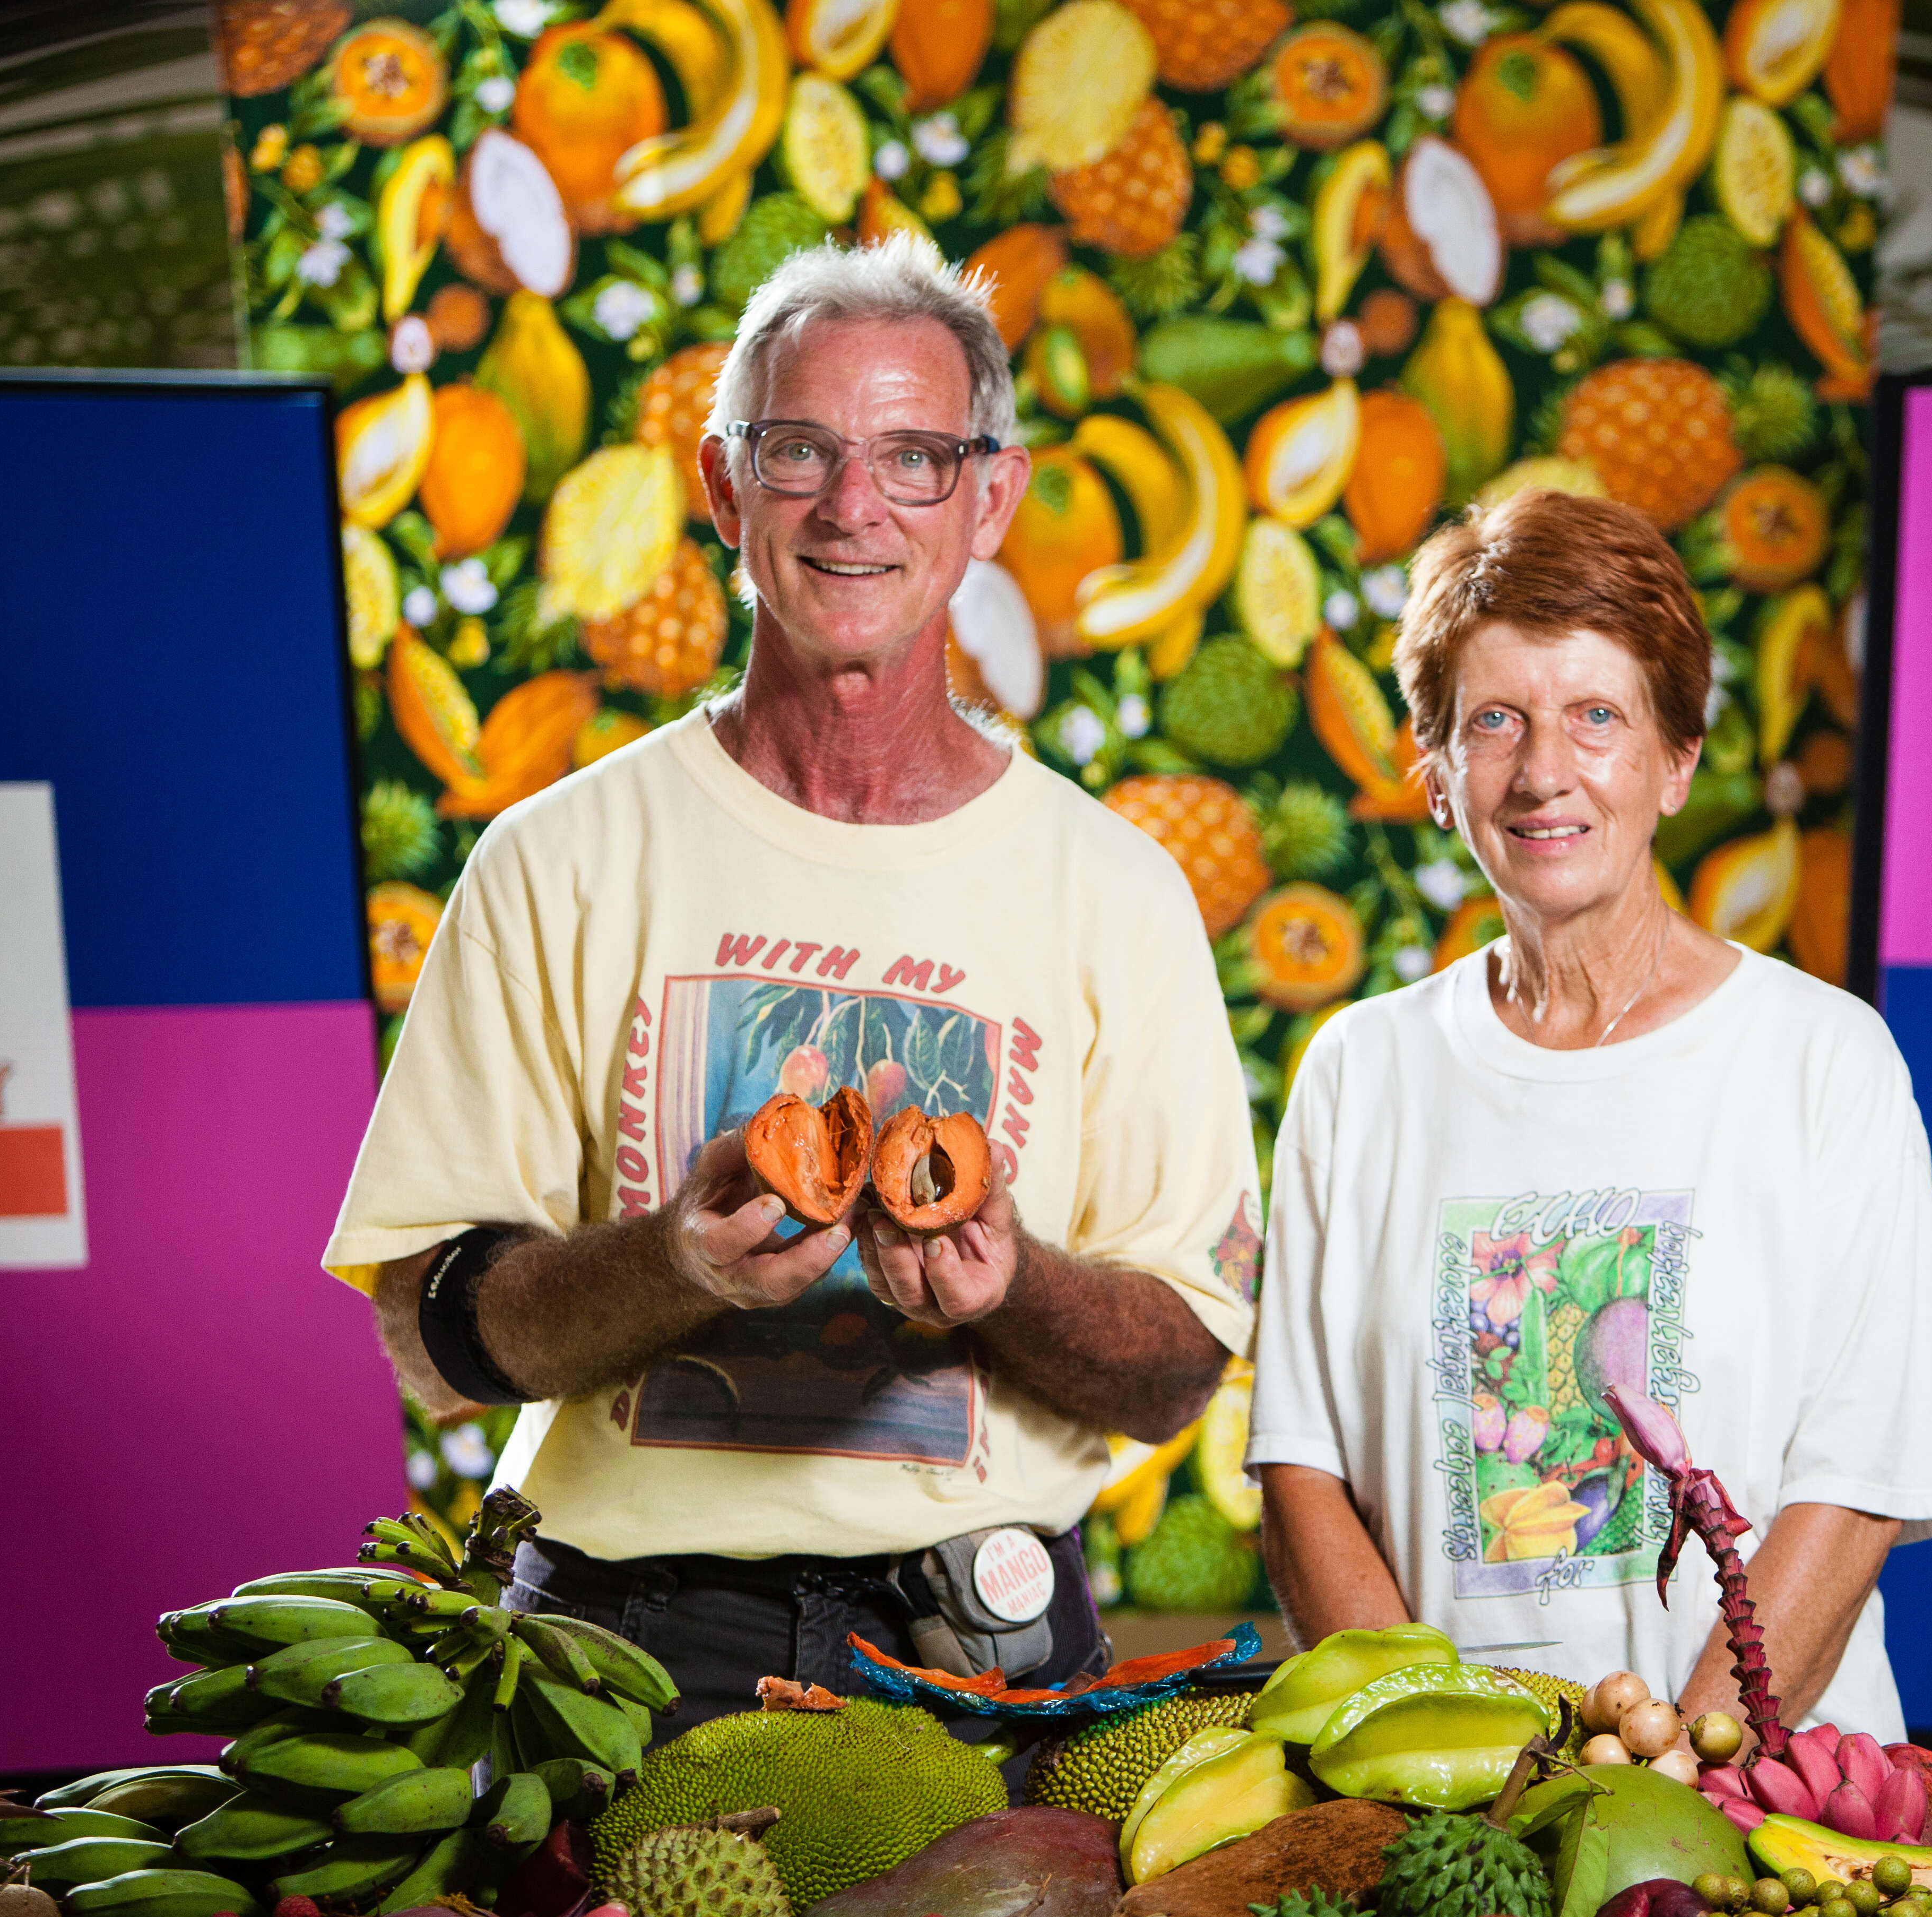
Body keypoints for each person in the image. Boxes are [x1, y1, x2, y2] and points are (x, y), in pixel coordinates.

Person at [325, 235, 1262, 1733]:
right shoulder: (557, 858)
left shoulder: (1118, 892)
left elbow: (1174, 1378)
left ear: (991, 499)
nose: (853, 507)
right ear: (723, 487)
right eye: (801, 450)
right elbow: (431, 1337)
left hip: (986, 1647)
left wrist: (1008, 1281)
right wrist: (672, 1263)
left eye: (912, 457)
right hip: (614, 1651)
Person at [1244, 488, 1932, 1742]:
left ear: (1675, 759)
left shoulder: (1823, 1061)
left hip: (1763, 1812)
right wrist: (1454, 1768)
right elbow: (1302, 1476)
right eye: (1493, 722)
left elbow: (1858, 1485)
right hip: (1453, 1824)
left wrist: (1672, 1773)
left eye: (1596, 716)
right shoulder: (1358, 1070)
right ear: (1434, 773)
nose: (1543, 771)